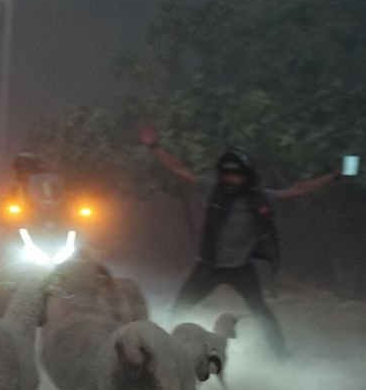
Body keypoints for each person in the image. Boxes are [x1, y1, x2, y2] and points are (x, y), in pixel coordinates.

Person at [140, 123, 341, 359]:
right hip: (209, 266)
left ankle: (282, 357)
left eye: (236, 174)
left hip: (240, 269)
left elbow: (297, 191)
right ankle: (162, 353)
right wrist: (155, 147)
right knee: (180, 307)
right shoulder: (212, 189)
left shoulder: (260, 196)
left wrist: (334, 175)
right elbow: (179, 170)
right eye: (227, 174)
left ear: (246, 176)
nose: (231, 178)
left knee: (262, 311)